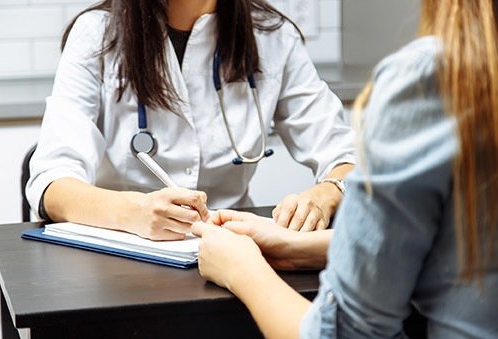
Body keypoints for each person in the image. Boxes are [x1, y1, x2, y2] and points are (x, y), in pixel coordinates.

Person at [192, 0, 498, 337]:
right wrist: (298, 249)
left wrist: (241, 268)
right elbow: (458, 245)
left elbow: (346, 334)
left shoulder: (437, 77)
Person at [26, 0, 355, 240]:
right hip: (120, 251)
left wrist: (327, 192)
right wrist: (133, 213)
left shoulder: (273, 37)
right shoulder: (96, 35)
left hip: (235, 250)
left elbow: (346, 155)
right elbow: (52, 183)